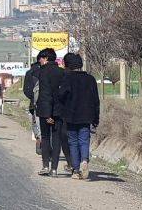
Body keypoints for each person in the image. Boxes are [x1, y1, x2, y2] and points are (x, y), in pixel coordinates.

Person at [58, 53, 99, 180]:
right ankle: (85, 161)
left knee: (73, 142)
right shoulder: (90, 79)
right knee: (84, 140)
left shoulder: (67, 79)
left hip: (71, 115)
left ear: (67, 65)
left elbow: (61, 96)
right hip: (87, 115)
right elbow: (95, 100)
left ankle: (76, 170)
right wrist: (96, 118)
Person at [35, 48, 70, 177]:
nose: (40, 61)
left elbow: (45, 94)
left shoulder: (42, 72)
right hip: (59, 111)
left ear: (46, 58)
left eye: (41, 59)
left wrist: (48, 114)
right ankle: (54, 169)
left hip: (46, 110)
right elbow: (63, 93)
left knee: (45, 138)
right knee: (57, 139)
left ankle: (45, 165)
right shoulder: (62, 72)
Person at [24, 53, 45, 154]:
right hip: (47, 102)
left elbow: (25, 90)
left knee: (35, 122)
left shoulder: (29, 73)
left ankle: (39, 140)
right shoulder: (45, 71)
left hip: (34, 104)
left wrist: (33, 98)